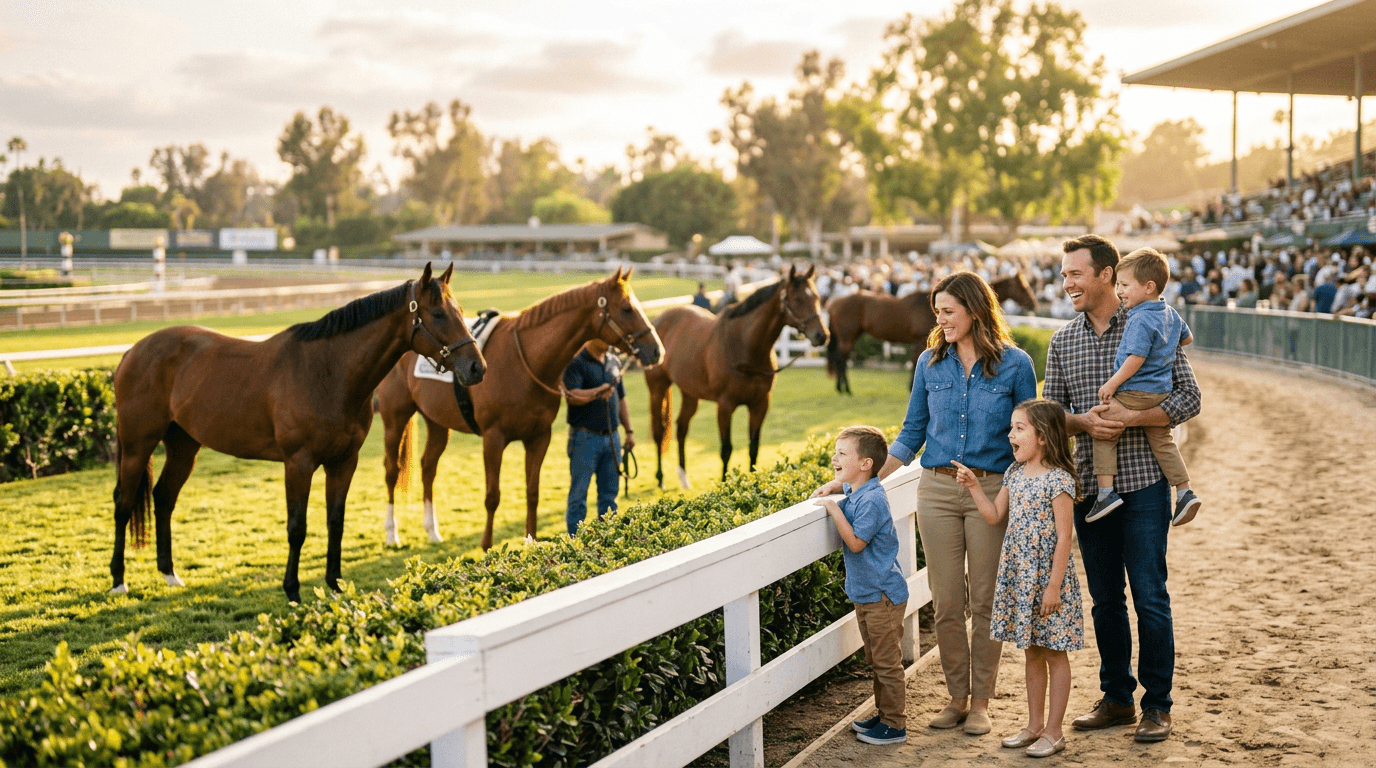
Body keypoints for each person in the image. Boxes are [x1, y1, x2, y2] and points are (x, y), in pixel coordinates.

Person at [812, 271, 1037, 736]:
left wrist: (1021, 490)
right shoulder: (929, 364)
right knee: (948, 600)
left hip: (991, 489)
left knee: (986, 601)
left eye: (948, 311)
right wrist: (852, 481)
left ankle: (981, 703)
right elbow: (912, 432)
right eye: (937, 311)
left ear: (975, 311)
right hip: (935, 491)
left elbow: (1028, 438)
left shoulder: (1016, 365)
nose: (940, 319)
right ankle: (956, 698)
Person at [1044, 234, 1201, 744]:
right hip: (1092, 487)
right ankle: (1116, 699)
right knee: (1105, 600)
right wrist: (1084, 423)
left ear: (1107, 275)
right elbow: (1051, 419)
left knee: (1150, 597)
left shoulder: (1151, 321)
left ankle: (1158, 705)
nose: (1066, 282)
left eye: (1074, 274)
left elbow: (1189, 397)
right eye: (1064, 274)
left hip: (1145, 486)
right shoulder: (1062, 341)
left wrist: (1134, 418)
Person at [953, 398, 1083, 758]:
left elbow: (1063, 538)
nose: (1010, 434)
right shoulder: (1014, 473)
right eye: (1012, 427)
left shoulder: (1059, 480)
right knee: (1031, 652)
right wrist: (974, 487)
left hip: (1047, 580)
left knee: (1055, 654)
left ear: (1042, 437)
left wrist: (1053, 586)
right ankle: (1034, 725)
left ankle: (1055, 732)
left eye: (1019, 428)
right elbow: (995, 515)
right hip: (1020, 576)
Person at [1087, 248, 1202, 527]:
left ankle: (1105, 492)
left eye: (1125, 285)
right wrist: (1163, 347)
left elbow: (1135, 358)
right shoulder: (1170, 313)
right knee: (1163, 441)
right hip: (1160, 392)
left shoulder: (1139, 317)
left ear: (1148, 287)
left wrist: (1112, 383)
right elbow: (1186, 340)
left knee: (1103, 426)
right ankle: (1185, 490)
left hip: (1135, 391)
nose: (1119, 291)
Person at [814, 426, 910, 746]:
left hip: (881, 595)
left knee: (886, 663)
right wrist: (837, 493)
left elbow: (855, 543)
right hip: (868, 593)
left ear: (865, 463)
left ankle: (895, 725)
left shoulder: (872, 500)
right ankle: (884, 715)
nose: (834, 457)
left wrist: (832, 508)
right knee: (876, 659)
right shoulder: (858, 492)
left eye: (842, 453)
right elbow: (848, 499)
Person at [562, 340, 635, 536]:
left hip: (612, 437)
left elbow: (620, 398)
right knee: (578, 496)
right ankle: (575, 543)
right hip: (584, 439)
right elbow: (572, 395)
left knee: (609, 497)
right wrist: (598, 392)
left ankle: (608, 539)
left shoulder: (614, 361)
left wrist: (629, 431)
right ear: (592, 338)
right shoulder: (576, 363)